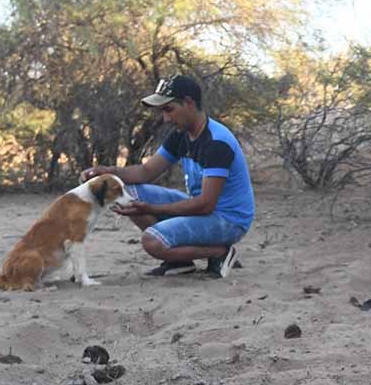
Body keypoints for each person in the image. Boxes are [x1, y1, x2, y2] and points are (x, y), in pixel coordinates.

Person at [81, 75, 255, 277]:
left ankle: (221, 252)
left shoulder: (216, 142)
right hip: (203, 209)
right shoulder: (180, 135)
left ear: (189, 103)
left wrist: (151, 208)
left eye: (169, 109)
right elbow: (146, 172)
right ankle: (180, 263)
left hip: (228, 220)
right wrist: (108, 171)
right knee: (128, 193)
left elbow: (206, 204)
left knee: (152, 241)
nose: (165, 118)